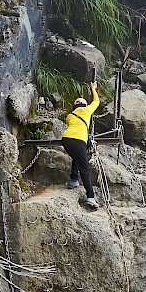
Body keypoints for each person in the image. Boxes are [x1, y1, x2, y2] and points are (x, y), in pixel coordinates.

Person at [61, 81, 99, 209]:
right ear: (84, 105)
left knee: (76, 157)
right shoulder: (87, 110)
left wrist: (89, 141)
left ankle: (73, 180)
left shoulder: (70, 116)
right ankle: (90, 197)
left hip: (66, 139)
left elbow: (77, 128)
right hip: (78, 141)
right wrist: (93, 89)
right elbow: (96, 102)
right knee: (85, 169)